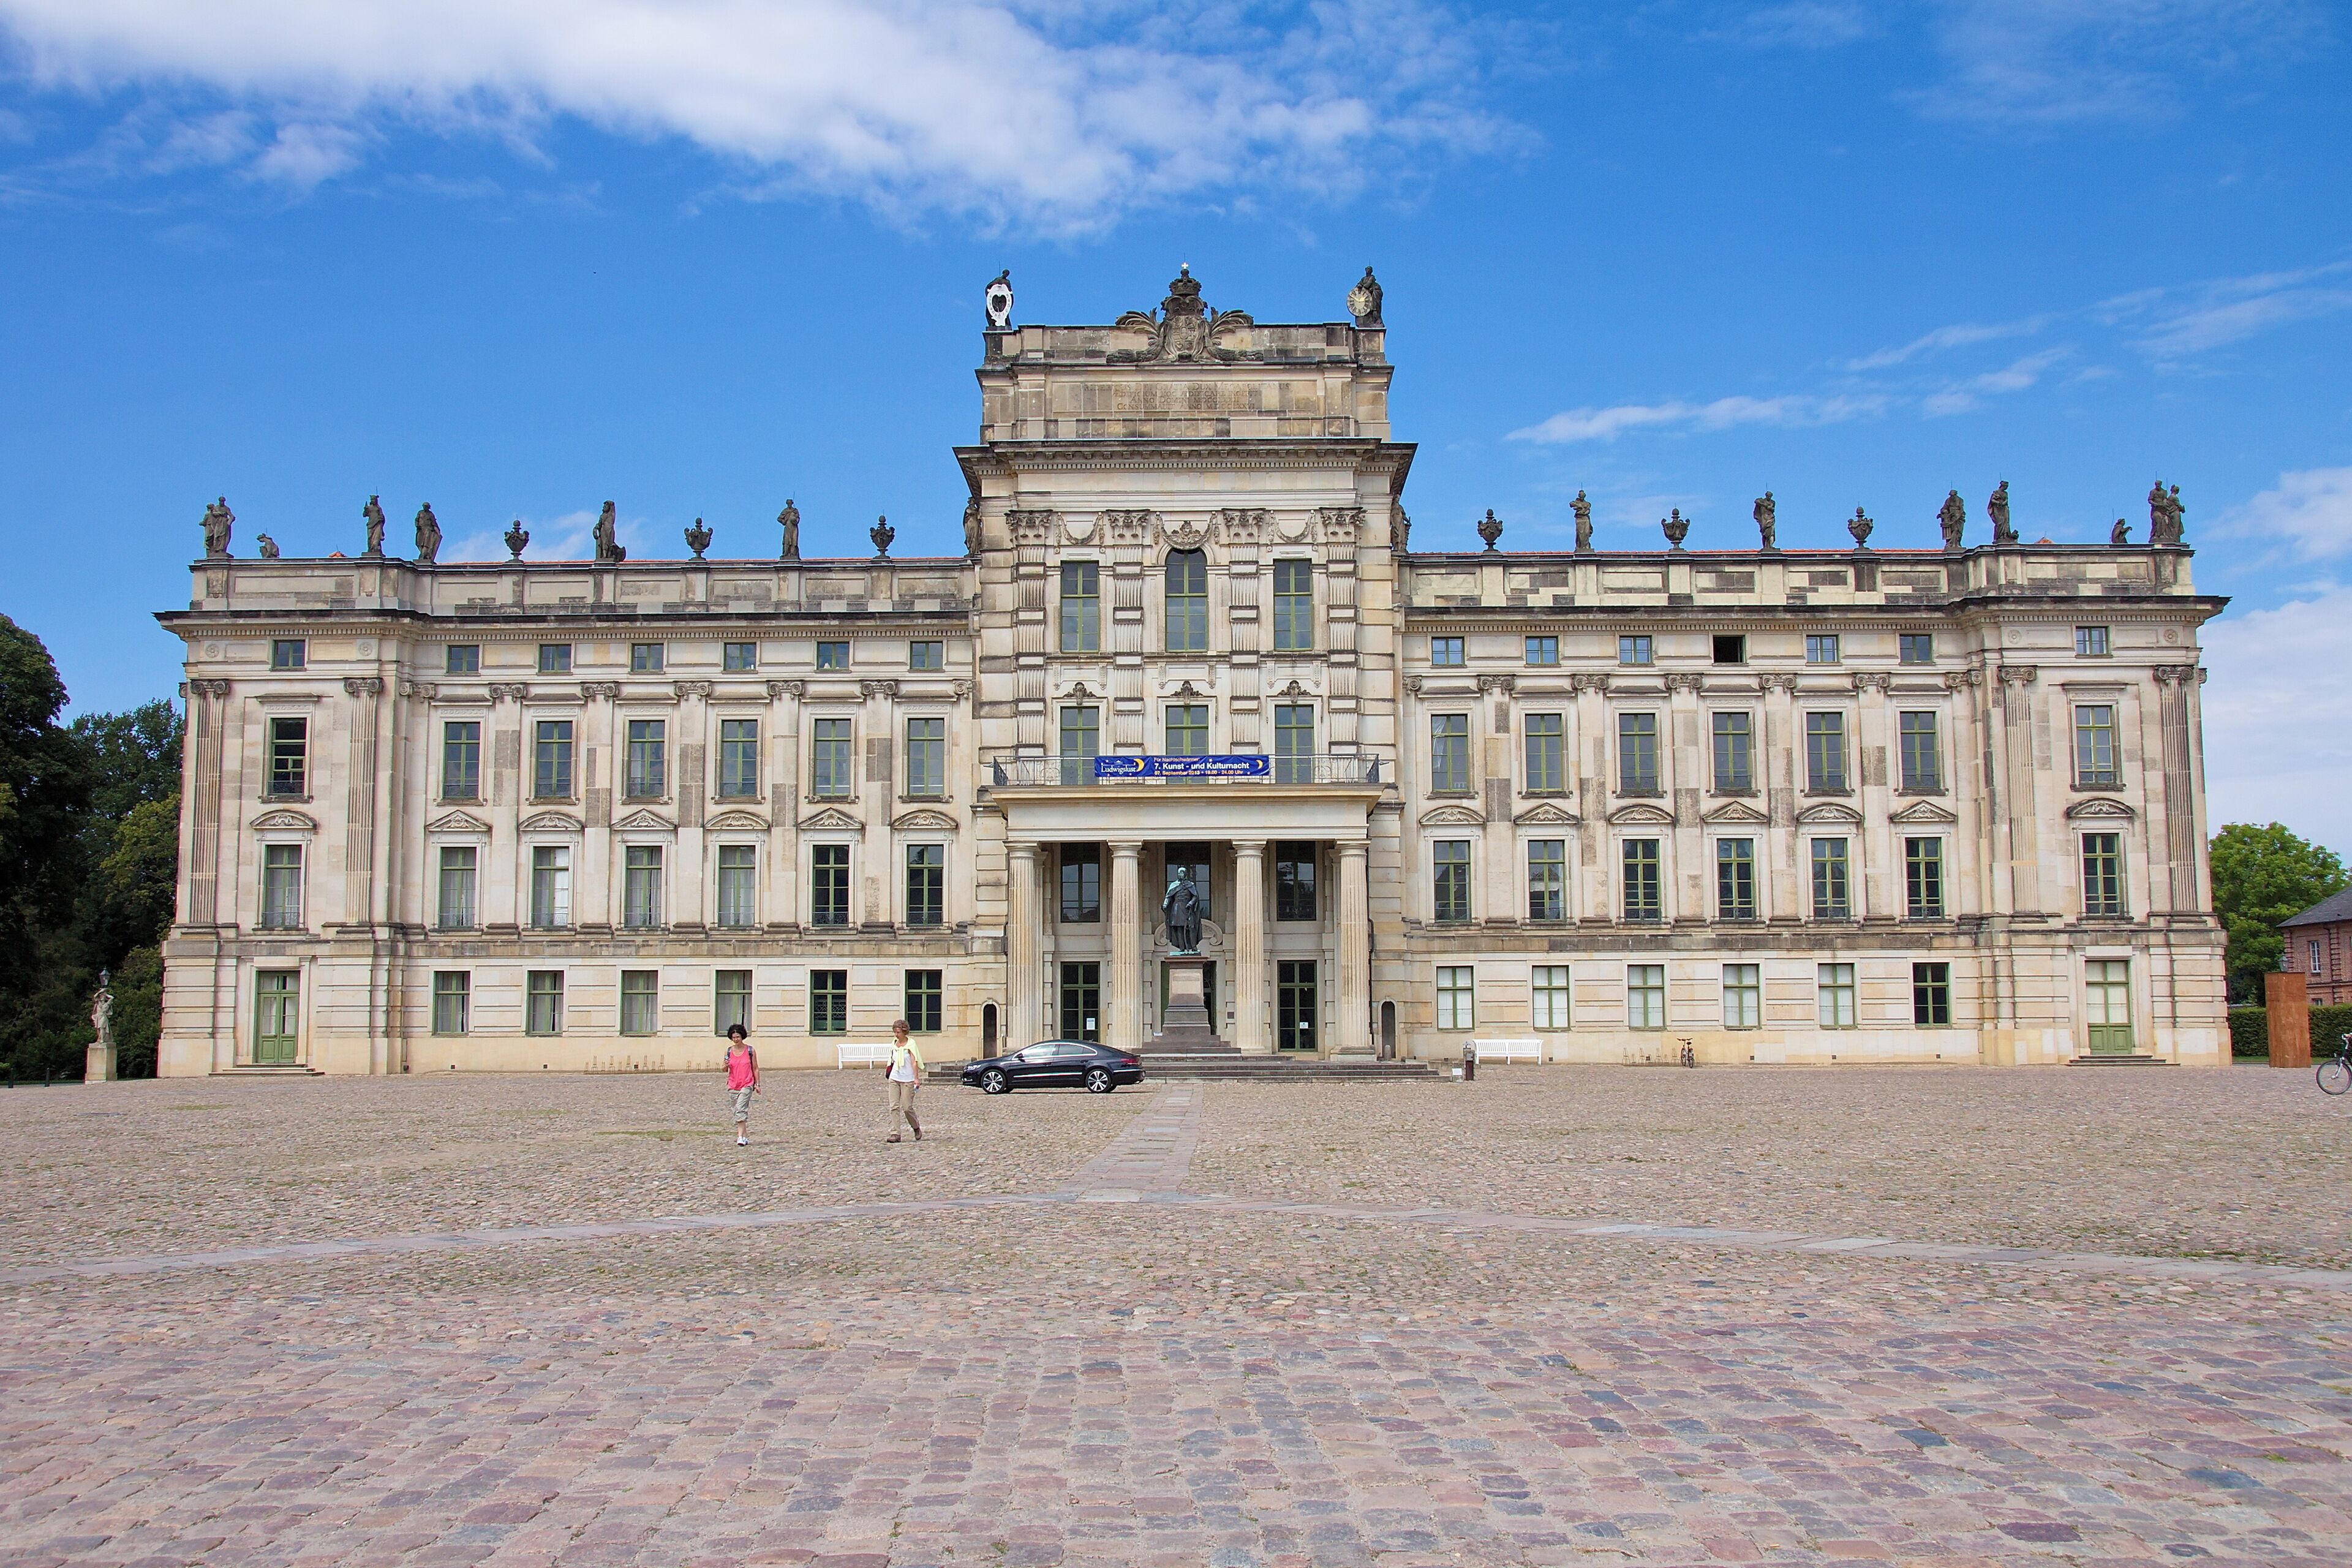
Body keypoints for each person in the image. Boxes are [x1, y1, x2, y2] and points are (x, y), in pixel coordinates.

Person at [883, 1018, 924, 1144]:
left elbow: (914, 1062)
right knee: (894, 1107)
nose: (896, 1035)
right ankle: (895, 1134)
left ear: (904, 1032)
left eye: (898, 1032)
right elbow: (891, 1060)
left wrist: (916, 1079)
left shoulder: (911, 1044)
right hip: (895, 1078)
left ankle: (916, 1127)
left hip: (908, 1080)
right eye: (895, 1032)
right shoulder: (894, 1044)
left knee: (907, 1107)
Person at [722, 1024, 759, 1147]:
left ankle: (740, 1137)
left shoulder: (750, 1051)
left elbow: (755, 1068)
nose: (736, 1039)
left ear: (742, 1036)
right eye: (733, 1037)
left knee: (741, 1109)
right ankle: (745, 1136)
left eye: (738, 1037)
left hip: (747, 1084)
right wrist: (725, 1065)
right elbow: (724, 1069)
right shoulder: (729, 1051)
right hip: (733, 1085)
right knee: (736, 1111)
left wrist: (757, 1084)